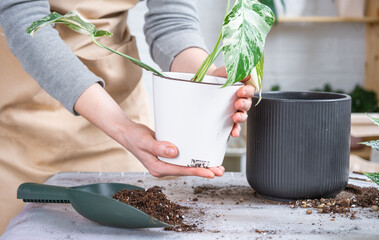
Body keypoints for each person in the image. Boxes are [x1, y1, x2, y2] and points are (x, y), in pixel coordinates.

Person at [0, 0, 255, 233]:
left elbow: (172, 21)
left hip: (121, 121)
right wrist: (121, 127)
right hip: (27, 120)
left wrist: (208, 81)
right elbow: (24, 20)